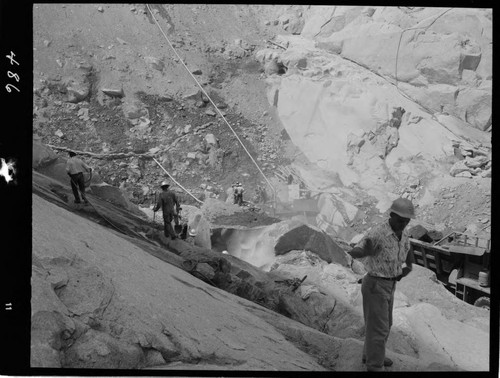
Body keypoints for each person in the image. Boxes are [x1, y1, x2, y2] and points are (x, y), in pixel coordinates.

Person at [348, 198, 415, 372]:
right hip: (375, 284)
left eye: (407, 221)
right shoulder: (377, 233)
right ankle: (374, 366)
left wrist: (407, 268)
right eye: (401, 220)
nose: (404, 224)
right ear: (391, 215)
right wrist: (354, 252)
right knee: (378, 328)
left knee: (386, 325)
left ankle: (371, 355)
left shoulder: (404, 234)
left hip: (390, 285)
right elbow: (359, 250)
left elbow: (407, 251)